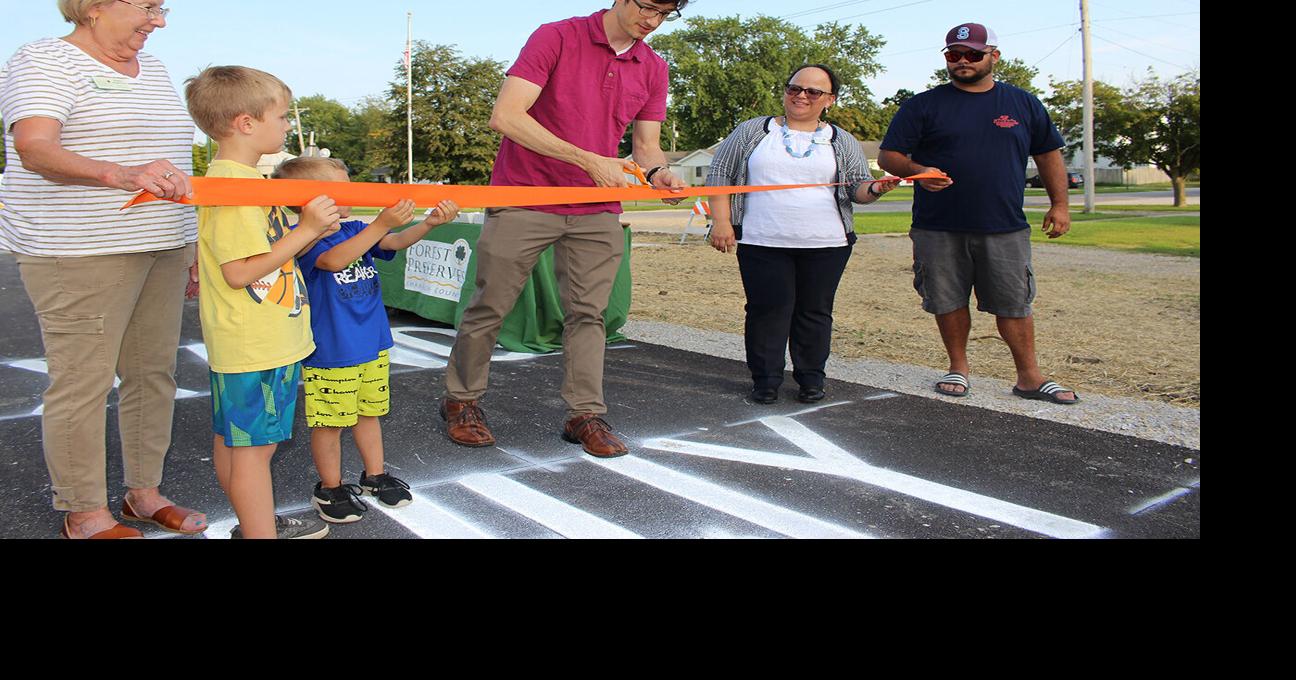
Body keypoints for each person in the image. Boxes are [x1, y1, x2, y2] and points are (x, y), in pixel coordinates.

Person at [440, 0, 689, 458]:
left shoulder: (653, 66)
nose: (652, 21)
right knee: (491, 306)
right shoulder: (556, 35)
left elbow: (647, 147)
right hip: (524, 195)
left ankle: (583, 414)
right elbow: (507, 116)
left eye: (665, 13)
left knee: (588, 315)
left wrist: (659, 175)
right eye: (648, 6)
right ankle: (461, 401)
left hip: (596, 207)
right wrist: (588, 159)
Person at [0, 0, 206, 538]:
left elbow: (176, 164)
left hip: (160, 242)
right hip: (78, 249)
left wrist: (193, 242)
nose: (158, 22)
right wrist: (121, 174)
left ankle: (144, 494)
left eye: (162, 9)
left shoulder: (154, 68)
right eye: (147, 7)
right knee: (83, 383)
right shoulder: (45, 59)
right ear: (94, 7)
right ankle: (85, 512)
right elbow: (35, 148)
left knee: (153, 375)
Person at [878, 22, 1080, 404]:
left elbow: (1048, 153)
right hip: (937, 226)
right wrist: (916, 171)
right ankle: (959, 367)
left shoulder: (1022, 103)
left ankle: (1029, 378)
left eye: (972, 54)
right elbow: (891, 155)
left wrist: (1060, 204)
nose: (962, 61)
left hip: (1003, 225)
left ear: (994, 57)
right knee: (947, 299)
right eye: (954, 55)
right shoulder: (922, 105)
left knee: (1014, 302)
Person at [184, 65, 340, 539]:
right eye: (282, 117)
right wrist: (307, 231)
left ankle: (255, 523)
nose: (287, 126)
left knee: (235, 442)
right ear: (245, 123)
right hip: (257, 345)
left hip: (253, 340)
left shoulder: (242, 181)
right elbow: (241, 272)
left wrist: (306, 232)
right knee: (255, 451)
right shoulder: (235, 190)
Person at [272, 156, 460, 524]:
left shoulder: (356, 226)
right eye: (343, 188)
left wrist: (429, 223)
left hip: (371, 343)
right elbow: (334, 262)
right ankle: (330, 487)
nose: (353, 194)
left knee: (369, 412)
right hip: (332, 349)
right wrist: (378, 224)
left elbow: (395, 240)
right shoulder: (304, 238)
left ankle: (374, 475)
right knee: (330, 421)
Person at [707, 65, 900, 404]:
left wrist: (877, 188)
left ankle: (811, 378)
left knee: (814, 311)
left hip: (826, 243)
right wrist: (721, 222)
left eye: (813, 92)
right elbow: (721, 173)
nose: (801, 96)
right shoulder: (754, 130)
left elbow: (857, 188)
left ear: (830, 100)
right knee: (767, 310)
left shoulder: (842, 140)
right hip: (762, 240)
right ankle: (765, 380)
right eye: (794, 88)